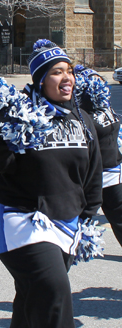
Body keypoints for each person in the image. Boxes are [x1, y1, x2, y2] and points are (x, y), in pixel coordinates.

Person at [0, 39, 102, 328]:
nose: (67, 78)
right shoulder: (19, 113)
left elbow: (91, 177)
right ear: (41, 79)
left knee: (33, 293)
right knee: (53, 287)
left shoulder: (83, 121)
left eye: (70, 71)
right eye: (57, 72)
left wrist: (88, 220)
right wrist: (5, 132)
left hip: (66, 223)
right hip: (21, 218)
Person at [75, 66, 122, 248]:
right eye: (96, 80)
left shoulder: (97, 110)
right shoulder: (90, 113)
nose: (101, 83)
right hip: (102, 174)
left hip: (110, 172)